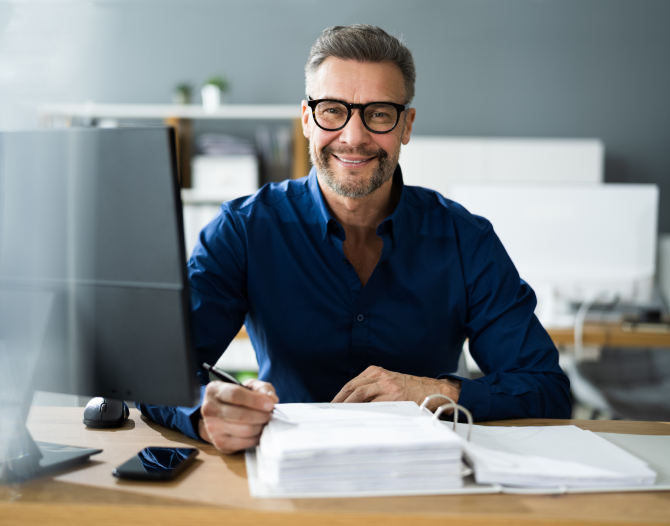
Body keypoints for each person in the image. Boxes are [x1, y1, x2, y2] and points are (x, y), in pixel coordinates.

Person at [139, 24, 571, 454]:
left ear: (406, 125)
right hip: (284, 472)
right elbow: (156, 373)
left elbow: (546, 389)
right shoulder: (243, 229)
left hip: (425, 475)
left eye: (379, 113)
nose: (354, 136)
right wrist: (203, 411)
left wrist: (434, 392)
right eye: (332, 110)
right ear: (307, 119)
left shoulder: (465, 238)